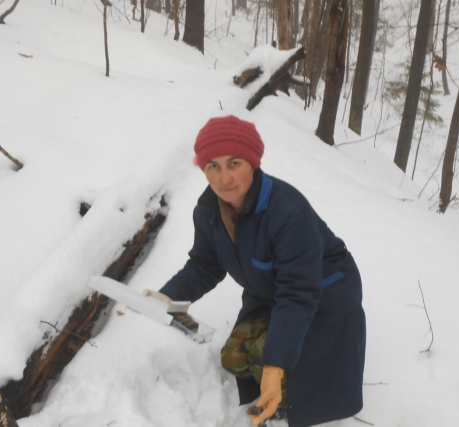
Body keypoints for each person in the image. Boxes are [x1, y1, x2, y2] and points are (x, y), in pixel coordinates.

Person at [149, 115, 366, 427]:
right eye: (213, 165)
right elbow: (204, 265)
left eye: (233, 163)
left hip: (324, 293)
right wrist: (168, 297)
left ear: (252, 161)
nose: (224, 178)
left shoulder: (287, 212)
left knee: (275, 362)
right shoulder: (208, 213)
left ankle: (290, 399)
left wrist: (275, 367)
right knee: (234, 358)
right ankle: (277, 361)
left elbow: (298, 293)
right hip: (273, 292)